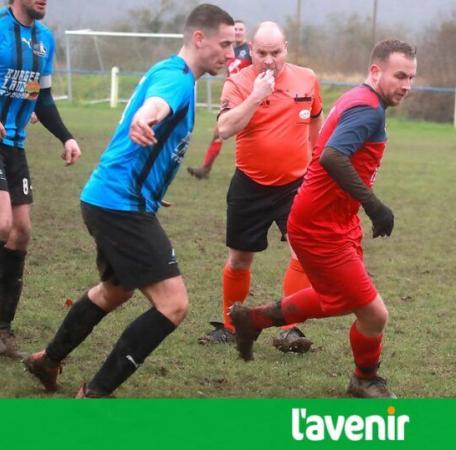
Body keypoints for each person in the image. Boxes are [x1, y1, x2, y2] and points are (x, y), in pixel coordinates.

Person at [22, 4, 236, 397]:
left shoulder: (170, 71)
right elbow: (158, 105)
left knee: (114, 290)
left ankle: (46, 361)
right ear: (199, 38)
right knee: (174, 305)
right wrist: (146, 117)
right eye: (225, 44)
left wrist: (155, 187)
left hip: (113, 198)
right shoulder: (176, 78)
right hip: (120, 204)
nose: (230, 54)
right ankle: (96, 395)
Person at [228, 39, 417, 398]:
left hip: (334, 220)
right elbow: (332, 156)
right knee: (374, 314)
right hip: (320, 226)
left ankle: (252, 320)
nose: (406, 85)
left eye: (411, 77)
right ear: (376, 71)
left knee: (340, 299)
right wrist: (374, 206)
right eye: (400, 76)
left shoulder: (361, 99)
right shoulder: (368, 110)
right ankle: (364, 380)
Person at [199, 21, 323, 352]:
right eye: (262, 53)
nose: (269, 60)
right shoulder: (238, 82)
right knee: (240, 259)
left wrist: (316, 163)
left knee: (304, 254)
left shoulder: (307, 78)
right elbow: (224, 129)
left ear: (286, 49)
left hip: (296, 185)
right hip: (250, 184)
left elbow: (315, 121)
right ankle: (231, 326)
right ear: (251, 49)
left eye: (276, 52)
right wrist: (256, 96)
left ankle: (291, 328)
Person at [0, 0, 81, 359]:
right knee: (2, 224)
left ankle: (2, 329)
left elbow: (41, 97)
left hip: (15, 146)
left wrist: (66, 136)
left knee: (21, 231)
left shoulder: (44, 39)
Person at [187, 19, 251, 180]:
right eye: (235, 29)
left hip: (248, 98)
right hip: (233, 97)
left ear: (245, 32)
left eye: (241, 29)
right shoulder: (228, 50)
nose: (238, 32)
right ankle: (205, 169)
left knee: (249, 135)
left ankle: (251, 172)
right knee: (219, 132)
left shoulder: (250, 50)